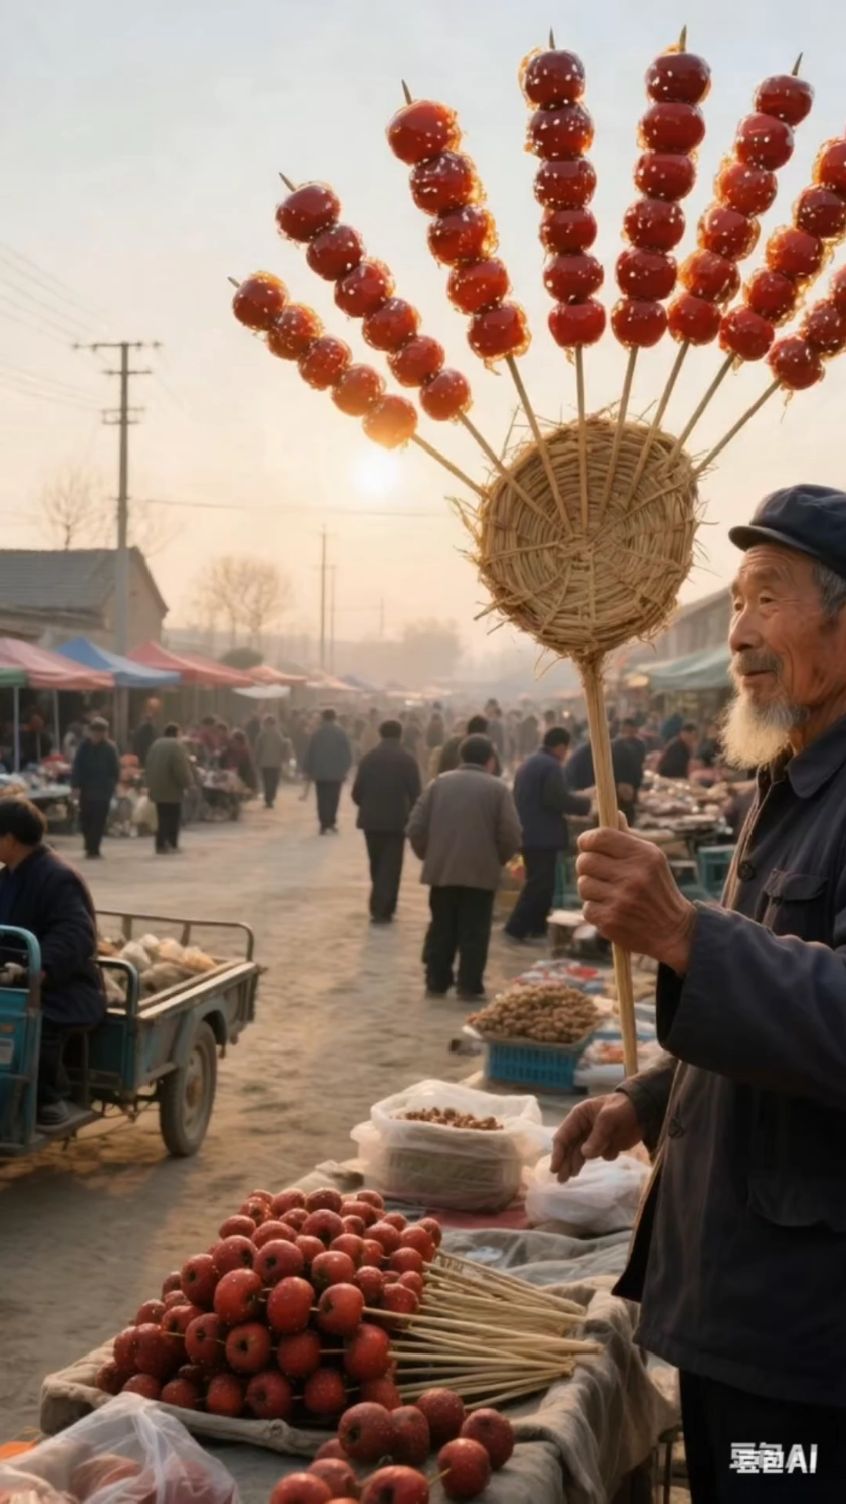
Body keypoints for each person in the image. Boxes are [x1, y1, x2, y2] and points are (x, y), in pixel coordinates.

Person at [552, 484, 846, 1501]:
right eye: (737, 603)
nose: (740, 633)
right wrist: (647, 1100)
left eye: (769, 598)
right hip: (734, 1312)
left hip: (809, 1346)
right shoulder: (789, 780)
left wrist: (683, 932)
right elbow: (767, 1024)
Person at [0, 799, 105, 1128]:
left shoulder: (57, 877)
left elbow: (75, 934)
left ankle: (50, 1096)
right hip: (11, 980)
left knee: (31, 1021)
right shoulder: (8, 877)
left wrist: (37, 969)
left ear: (9, 839)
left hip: (64, 985)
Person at [407, 734, 521, 999]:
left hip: (442, 872)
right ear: (490, 761)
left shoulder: (438, 784)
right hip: (481, 873)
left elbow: (415, 827)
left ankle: (436, 981)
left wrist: (431, 855)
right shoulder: (498, 789)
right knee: (475, 930)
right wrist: (497, 859)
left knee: (441, 926)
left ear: (461, 757)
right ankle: (469, 985)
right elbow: (511, 834)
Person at [505, 728, 591, 942]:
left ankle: (537, 928)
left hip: (530, 831)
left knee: (543, 884)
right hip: (541, 835)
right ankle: (516, 928)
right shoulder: (550, 766)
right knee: (539, 885)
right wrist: (586, 804)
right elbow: (557, 799)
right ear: (561, 746)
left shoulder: (531, 762)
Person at [351, 720, 422, 923]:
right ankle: (384, 908)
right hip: (397, 820)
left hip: (371, 821)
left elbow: (356, 792)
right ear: (400, 735)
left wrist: (368, 805)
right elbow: (416, 793)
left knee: (376, 862)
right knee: (391, 864)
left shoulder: (368, 759)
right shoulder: (407, 760)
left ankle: (380, 905)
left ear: (380, 734)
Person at [70, 717, 121, 859]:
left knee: (99, 821)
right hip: (86, 789)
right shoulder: (83, 747)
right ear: (91, 732)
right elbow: (77, 767)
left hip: (103, 791)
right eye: (95, 732)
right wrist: (75, 786)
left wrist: (112, 784)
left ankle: (94, 849)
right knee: (85, 819)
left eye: (101, 732)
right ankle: (89, 844)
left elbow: (115, 769)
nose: (98, 735)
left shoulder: (110, 748)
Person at [145, 723, 194, 854]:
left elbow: (148, 764)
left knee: (161, 817)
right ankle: (172, 843)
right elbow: (180, 768)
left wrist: (148, 784)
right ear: (177, 733)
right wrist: (188, 783)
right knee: (173, 817)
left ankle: (160, 844)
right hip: (172, 788)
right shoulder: (177, 746)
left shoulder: (155, 745)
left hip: (156, 787)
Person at [303, 708, 353, 834]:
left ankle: (323, 824)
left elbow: (310, 752)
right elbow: (347, 753)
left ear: (323, 718)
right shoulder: (341, 733)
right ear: (335, 717)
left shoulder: (317, 733)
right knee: (333, 798)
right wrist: (345, 768)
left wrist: (307, 769)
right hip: (336, 773)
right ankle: (331, 822)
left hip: (320, 772)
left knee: (322, 798)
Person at [611, 717, 647, 822]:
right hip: (621, 785)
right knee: (622, 813)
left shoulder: (640, 744)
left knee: (629, 812)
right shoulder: (616, 745)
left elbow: (639, 764)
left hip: (632, 783)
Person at [254, 715, 286, 808]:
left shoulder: (262, 734)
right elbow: (283, 747)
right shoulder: (278, 734)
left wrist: (256, 760)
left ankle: (268, 799)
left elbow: (258, 748)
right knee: (274, 781)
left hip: (264, 762)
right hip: (276, 763)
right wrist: (282, 759)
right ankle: (271, 797)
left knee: (266, 781)